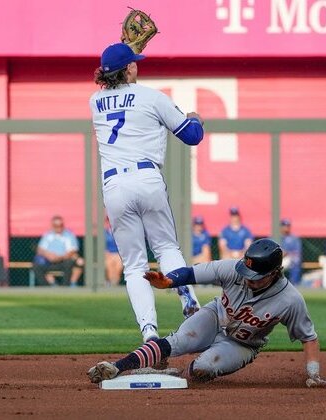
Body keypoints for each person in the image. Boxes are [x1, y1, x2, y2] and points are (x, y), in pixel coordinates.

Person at [88, 238, 326, 389]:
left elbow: (308, 337)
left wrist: (314, 374)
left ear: (274, 273)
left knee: (202, 369)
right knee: (178, 341)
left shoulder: (290, 300)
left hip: (243, 344)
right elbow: (190, 273)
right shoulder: (233, 269)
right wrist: (167, 282)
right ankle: (117, 366)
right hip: (215, 315)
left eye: (256, 277)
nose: (248, 280)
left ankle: (177, 375)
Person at [89, 42, 202, 342]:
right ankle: (190, 305)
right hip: (147, 177)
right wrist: (195, 118)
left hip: (114, 186)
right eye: (134, 63)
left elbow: (115, 92)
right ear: (128, 69)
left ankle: (149, 334)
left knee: (134, 265)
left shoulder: (94, 102)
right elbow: (192, 136)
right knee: (166, 249)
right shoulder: (152, 97)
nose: (138, 65)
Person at [33, 215, 84, 287]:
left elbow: (72, 251)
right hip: (49, 262)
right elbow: (40, 249)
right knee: (36, 265)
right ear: (52, 225)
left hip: (64, 261)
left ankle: (67, 286)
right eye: (56, 225)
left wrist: (60, 257)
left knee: (74, 261)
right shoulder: (48, 235)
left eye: (60, 225)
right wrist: (49, 255)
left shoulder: (69, 235)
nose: (59, 227)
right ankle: (46, 287)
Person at [279, 219, 302, 285]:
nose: (286, 227)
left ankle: (294, 283)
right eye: (284, 226)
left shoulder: (294, 238)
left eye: (288, 226)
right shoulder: (275, 236)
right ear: (281, 227)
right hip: (277, 258)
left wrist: (286, 253)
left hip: (288, 258)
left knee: (295, 260)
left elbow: (297, 252)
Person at [104, 218, 123, 286]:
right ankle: (111, 283)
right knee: (109, 264)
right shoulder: (103, 232)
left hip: (118, 254)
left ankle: (114, 283)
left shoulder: (121, 232)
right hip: (108, 254)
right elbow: (101, 246)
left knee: (118, 265)